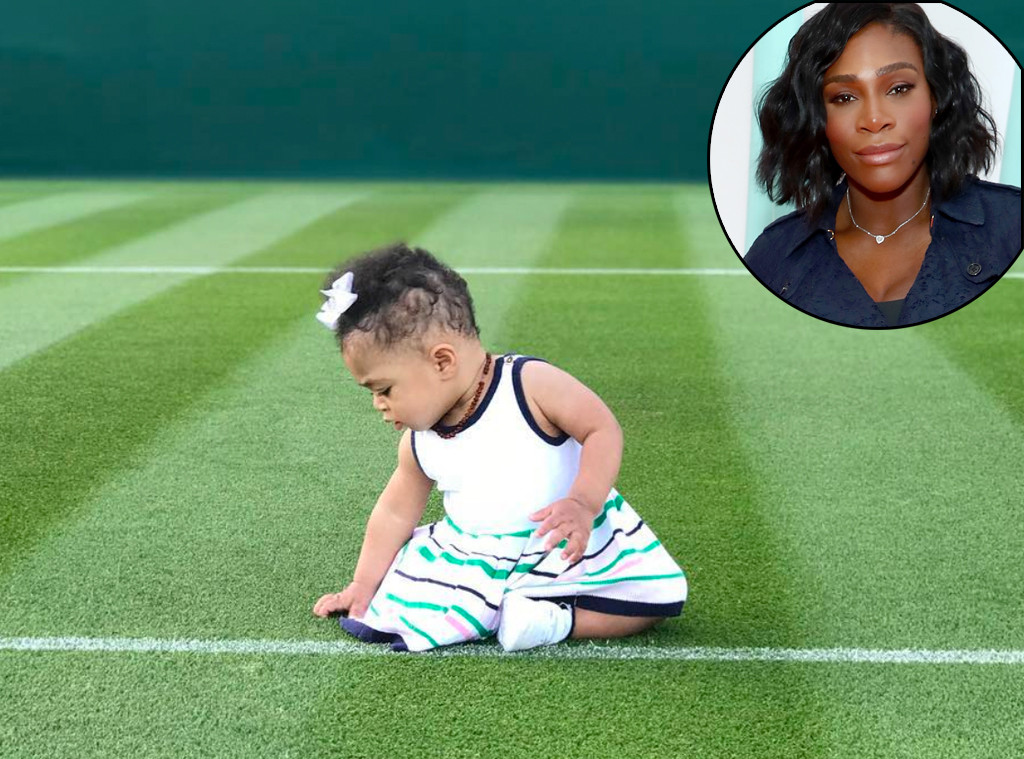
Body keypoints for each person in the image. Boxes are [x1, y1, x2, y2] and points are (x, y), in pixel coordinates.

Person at [310, 244, 686, 652]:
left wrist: (582, 502)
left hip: (560, 539)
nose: (378, 404)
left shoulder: (529, 385)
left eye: (384, 389)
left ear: (442, 361)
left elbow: (601, 428)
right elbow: (394, 513)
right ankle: (509, 610)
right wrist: (363, 585)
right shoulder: (419, 440)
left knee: (650, 601)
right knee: (422, 595)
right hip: (476, 556)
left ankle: (556, 621)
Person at [746, 3, 1021, 328]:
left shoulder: (1011, 226)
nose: (874, 120)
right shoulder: (773, 258)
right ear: (817, 119)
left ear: (936, 97)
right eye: (844, 97)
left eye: (898, 89)